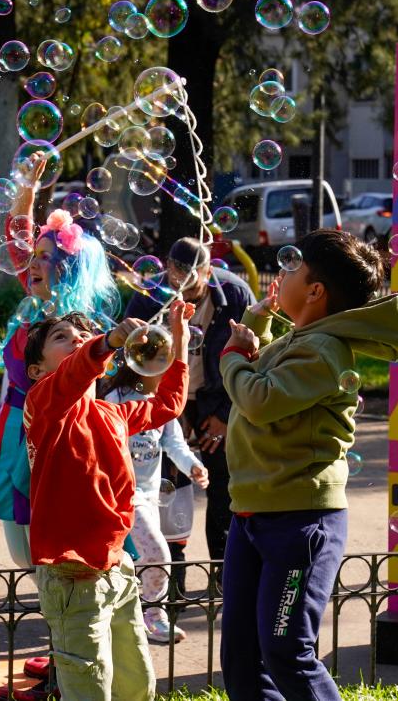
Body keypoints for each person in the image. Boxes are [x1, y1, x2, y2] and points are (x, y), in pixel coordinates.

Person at [217, 229, 398, 701]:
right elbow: (272, 369)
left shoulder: (324, 350)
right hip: (254, 513)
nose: (281, 274)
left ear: (315, 291)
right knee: (242, 658)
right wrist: (256, 327)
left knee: (286, 651)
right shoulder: (305, 339)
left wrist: (232, 357)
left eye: (292, 268)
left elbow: (259, 399)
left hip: (298, 521)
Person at [22, 301, 192, 701]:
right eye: (61, 337)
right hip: (72, 572)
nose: (77, 340)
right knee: (90, 690)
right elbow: (74, 373)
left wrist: (180, 340)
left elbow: (169, 403)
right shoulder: (43, 403)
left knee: (136, 685)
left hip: (117, 566)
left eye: (83, 335)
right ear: (37, 370)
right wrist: (106, 342)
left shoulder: (112, 413)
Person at [0, 159, 122, 572]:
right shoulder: (38, 306)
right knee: (22, 553)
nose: (32, 263)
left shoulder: (78, 329)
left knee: (45, 549)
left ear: (68, 270)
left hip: (51, 439)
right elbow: (16, 237)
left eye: (45, 258)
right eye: (35, 255)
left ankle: (64, 606)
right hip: (15, 428)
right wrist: (28, 187)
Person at [124, 236, 255, 562]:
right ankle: (172, 569)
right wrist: (161, 411)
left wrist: (225, 415)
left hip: (218, 398)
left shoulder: (235, 295)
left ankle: (223, 569)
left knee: (222, 480)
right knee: (169, 482)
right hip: (166, 395)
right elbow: (131, 357)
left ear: (209, 272)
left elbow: (254, 358)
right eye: (177, 273)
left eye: (193, 277)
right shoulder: (149, 297)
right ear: (168, 266)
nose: (183, 283)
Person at [101, 364, 208, 645]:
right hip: (123, 494)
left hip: (148, 496)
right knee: (158, 554)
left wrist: (193, 466)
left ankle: (127, 617)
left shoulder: (161, 401)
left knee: (135, 560)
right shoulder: (116, 398)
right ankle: (153, 614)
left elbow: (174, 443)